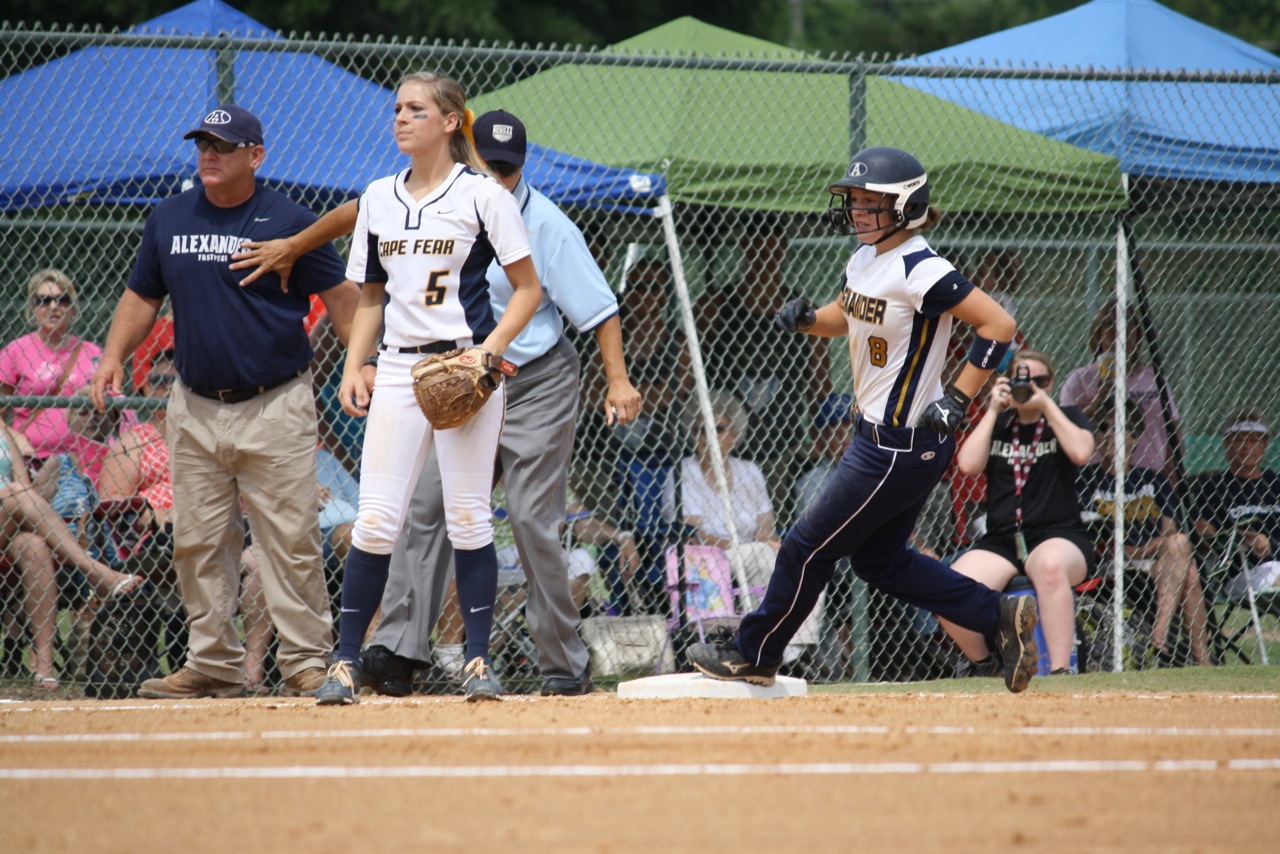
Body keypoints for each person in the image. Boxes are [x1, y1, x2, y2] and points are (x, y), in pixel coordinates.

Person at [233, 107, 639, 699]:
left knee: (529, 517)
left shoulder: (544, 223)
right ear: (469, 151)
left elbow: (600, 309)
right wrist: (297, 244)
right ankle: (399, 650)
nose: (497, 175)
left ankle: (561, 661)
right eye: (488, 162)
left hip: (533, 379)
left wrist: (618, 380)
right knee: (421, 507)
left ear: (521, 167)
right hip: (445, 377)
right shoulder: (442, 198)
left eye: (508, 167)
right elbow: (362, 213)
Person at [685, 146, 1040, 693]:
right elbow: (848, 315)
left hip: (898, 444)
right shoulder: (866, 258)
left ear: (906, 206)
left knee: (805, 547)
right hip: (884, 442)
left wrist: (959, 396)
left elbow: (999, 324)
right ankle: (996, 614)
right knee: (880, 561)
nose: (856, 210)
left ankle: (755, 653)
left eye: (870, 201)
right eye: (853, 200)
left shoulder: (922, 268)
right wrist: (810, 320)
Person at [90, 103, 360, 699]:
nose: (208, 154)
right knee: (200, 541)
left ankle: (305, 662)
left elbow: (342, 297)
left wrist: (361, 363)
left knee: (290, 540)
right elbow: (141, 296)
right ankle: (212, 662)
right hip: (194, 406)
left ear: (255, 156)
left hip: (275, 402)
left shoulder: (289, 221)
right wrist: (112, 355)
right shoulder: (169, 217)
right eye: (203, 144)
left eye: (223, 145)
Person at [299, 76, 544, 705]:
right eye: (398, 109)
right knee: (376, 520)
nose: (401, 118)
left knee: (468, 517)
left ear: (451, 122)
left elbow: (528, 289)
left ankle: (477, 661)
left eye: (416, 109)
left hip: (464, 368)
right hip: (398, 371)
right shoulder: (378, 197)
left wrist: (490, 351)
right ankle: (345, 662)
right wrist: (354, 365)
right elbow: (370, 296)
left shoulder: (483, 195)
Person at [935, 349, 1096, 675]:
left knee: (1049, 566)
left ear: (1051, 383)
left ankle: (1061, 671)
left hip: (1058, 536)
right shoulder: (1000, 423)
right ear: (1006, 382)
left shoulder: (1066, 416)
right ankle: (985, 664)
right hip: (1004, 540)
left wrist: (1046, 406)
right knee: (947, 587)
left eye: (1040, 381)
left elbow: (1081, 452)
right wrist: (993, 410)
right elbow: (967, 465)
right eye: (1022, 380)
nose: (1030, 387)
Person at [1, 421, 142, 689]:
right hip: (7, 506)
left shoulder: (3, 430)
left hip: (9, 519)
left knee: (35, 546)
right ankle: (95, 572)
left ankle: (44, 666)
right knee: (15, 493)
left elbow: (26, 485)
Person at [1079, 398, 1212, 667]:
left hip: (1157, 561)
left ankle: (1161, 641)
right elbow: (1098, 534)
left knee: (1180, 550)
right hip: (1111, 564)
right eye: (1102, 428)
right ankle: (1189, 655)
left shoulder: (1153, 479)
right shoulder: (1086, 479)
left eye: (1118, 427)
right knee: (1188, 573)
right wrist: (1141, 549)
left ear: (1135, 436)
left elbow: (1169, 532)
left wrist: (1147, 549)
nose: (1109, 434)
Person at [0, 269, 134, 464]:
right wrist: (14, 438)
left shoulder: (92, 352)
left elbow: (115, 407)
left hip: (85, 459)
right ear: (32, 306)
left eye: (62, 300)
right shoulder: (17, 351)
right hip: (32, 458)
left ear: (72, 307)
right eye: (44, 300)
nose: (53, 306)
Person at [1060, 298, 1184, 485]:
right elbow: (1065, 429)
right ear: (1098, 333)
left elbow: (1172, 424)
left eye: (1128, 323)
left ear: (1138, 334)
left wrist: (1175, 463)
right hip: (1097, 480)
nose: (1119, 330)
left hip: (1151, 477)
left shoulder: (1154, 376)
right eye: (1109, 324)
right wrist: (1098, 402)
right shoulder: (1080, 379)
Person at [1191, 408, 1280, 600]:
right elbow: (1202, 532)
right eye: (1240, 440)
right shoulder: (1213, 487)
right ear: (1226, 444)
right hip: (1244, 571)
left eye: (1254, 440)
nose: (1247, 447)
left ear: (1265, 445)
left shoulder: (1274, 482)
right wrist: (1243, 536)